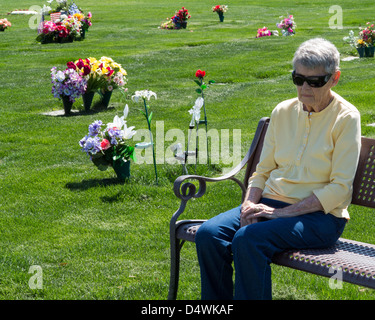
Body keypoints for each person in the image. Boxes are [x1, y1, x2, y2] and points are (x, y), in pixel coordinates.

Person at [195, 38, 361, 300]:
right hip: (271, 204)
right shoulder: (283, 111)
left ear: (335, 78)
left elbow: (340, 190)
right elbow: (262, 171)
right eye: (298, 78)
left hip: (320, 217)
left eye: (314, 81)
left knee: (249, 239)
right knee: (209, 234)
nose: (304, 88)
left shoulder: (346, 117)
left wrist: (278, 214)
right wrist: (250, 205)